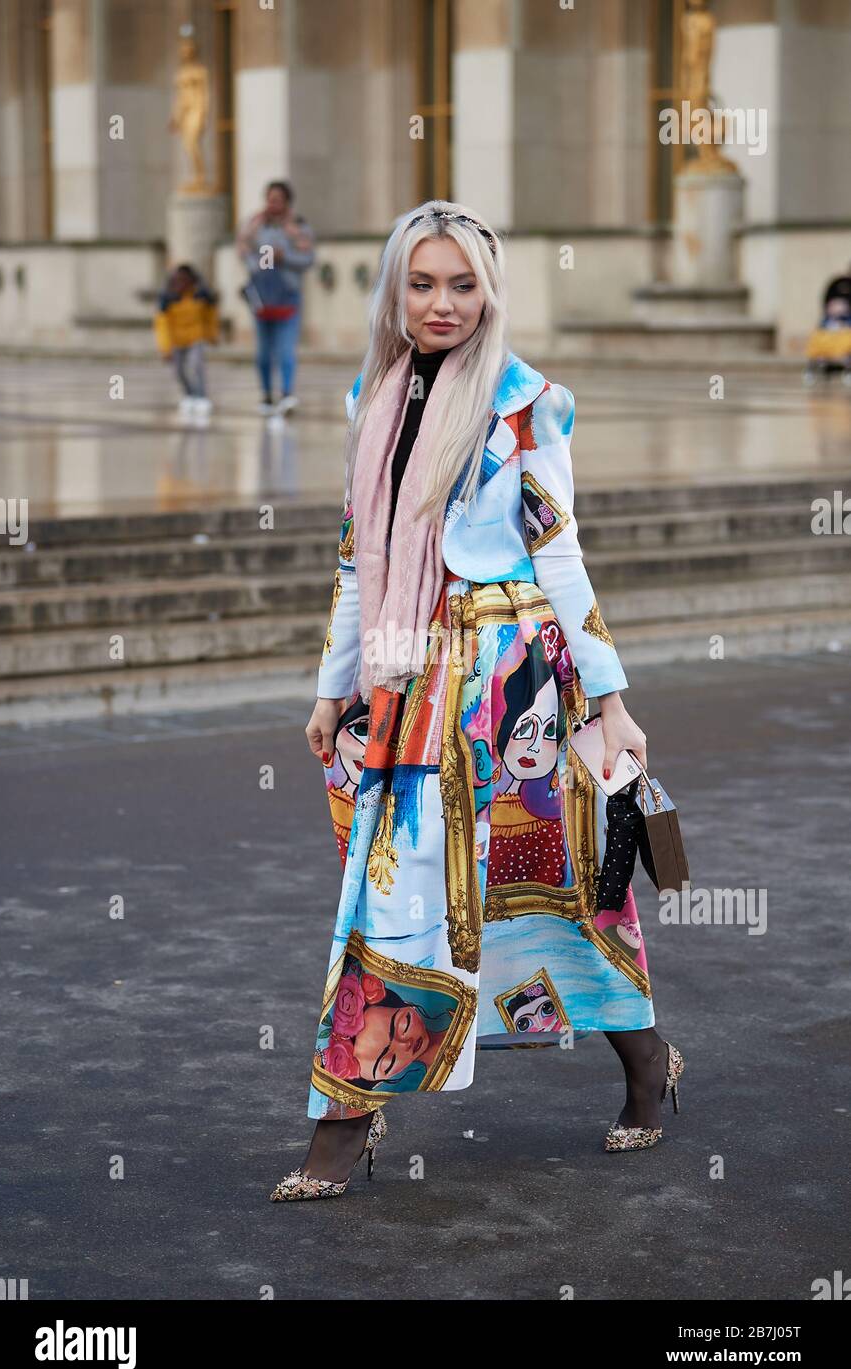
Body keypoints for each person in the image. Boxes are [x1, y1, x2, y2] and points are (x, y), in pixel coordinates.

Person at [270, 200, 685, 1203]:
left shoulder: (525, 404)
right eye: (422, 283)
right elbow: (355, 564)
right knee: (392, 897)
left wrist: (612, 701)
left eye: (463, 284)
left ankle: (644, 1065)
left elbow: (560, 553)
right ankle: (341, 1124)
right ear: (392, 289)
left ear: (489, 292)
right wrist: (335, 685)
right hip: (412, 683)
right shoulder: (367, 399)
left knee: (566, 893)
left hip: (522, 682)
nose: (442, 303)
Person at [236, 180, 316, 415]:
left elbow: (308, 259)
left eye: (277, 200)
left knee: (285, 349)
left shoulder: (298, 227)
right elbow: (243, 251)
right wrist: (262, 264)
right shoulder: (255, 226)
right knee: (262, 351)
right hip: (261, 296)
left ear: (286, 202)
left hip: (288, 296)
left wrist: (285, 257)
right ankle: (267, 395)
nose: (273, 204)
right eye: (270, 199)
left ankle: (287, 394)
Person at [153, 263, 218, 420]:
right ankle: (189, 394)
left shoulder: (201, 296)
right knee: (179, 371)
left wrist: (211, 335)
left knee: (196, 365)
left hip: (196, 337)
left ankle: (201, 396)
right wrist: (165, 348)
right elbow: (162, 326)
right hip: (176, 340)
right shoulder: (167, 300)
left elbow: (210, 317)